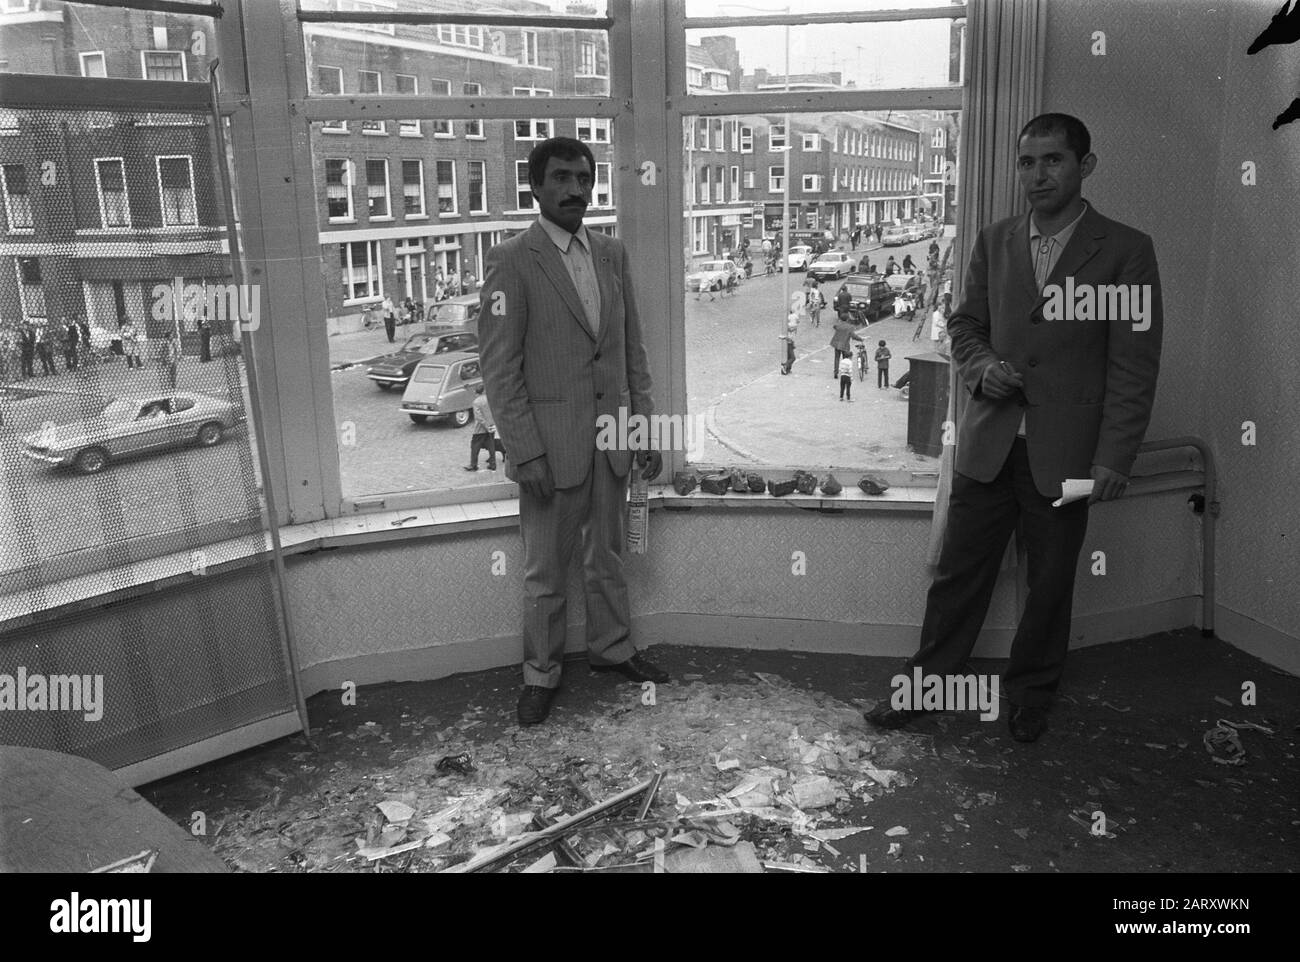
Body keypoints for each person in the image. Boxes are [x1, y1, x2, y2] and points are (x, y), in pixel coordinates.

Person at [863, 113, 1163, 743]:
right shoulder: (994, 241)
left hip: (1069, 457)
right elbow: (964, 325)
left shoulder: (1126, 251)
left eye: (1052, 160)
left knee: (1049, 584)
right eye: (1026, 162)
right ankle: (928, 687)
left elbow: (1134, 364)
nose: (1036, 174)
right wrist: (981, 369)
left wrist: (1115, 457)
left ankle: (1032, 694)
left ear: (1086, 166)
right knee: (956, 577)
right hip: (988, 444)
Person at [478, 136, 667, 727]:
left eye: (584, 179)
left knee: (607, 554)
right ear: (535, 187)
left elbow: (629, 349)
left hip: (612, 436)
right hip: (549, 449)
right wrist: (523, 449)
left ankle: (612, 650)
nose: (575, 190)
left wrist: (644, 427)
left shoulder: (612, 253)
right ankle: (541, 673)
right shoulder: (513, 259)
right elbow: (498, 366)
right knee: (545, 571)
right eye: (561, 178)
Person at [464, 385, 499, 471]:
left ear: (476, 392)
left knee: (475, 446)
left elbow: (478, 417)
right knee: (491, 445)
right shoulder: (490, 399)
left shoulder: (476, 402)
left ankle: (473, 465)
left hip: (480, 429)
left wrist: (486, 426)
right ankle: (493, 464)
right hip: (491, 426)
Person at [830, 310, 864, 381]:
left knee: (836, 358)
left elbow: (834, 326)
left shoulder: (838, 325)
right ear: (847, 319)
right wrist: (860, 339)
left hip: (836, 343)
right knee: (845, 359)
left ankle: (836, 372)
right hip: (845, 344)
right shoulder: (850, 327)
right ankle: (844, 372)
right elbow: (853, 336)